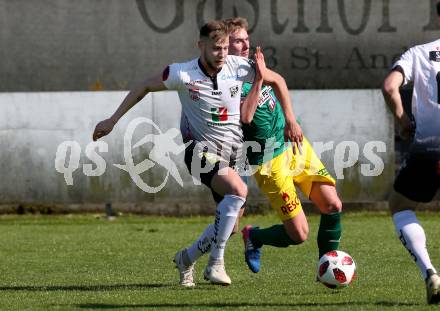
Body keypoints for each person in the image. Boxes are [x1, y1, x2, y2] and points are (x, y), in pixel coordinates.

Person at [92, 20, 300, 287]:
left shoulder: (238, 67)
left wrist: (290, 117)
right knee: (238, 190)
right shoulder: (182, 73)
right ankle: (216, 264)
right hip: (200, 151)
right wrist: (112, 120)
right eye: (215, 48)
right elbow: (144, 85)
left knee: (231, 224)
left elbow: (278, 80)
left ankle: (186, 259)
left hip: (233, 155)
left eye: (225, 47)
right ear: (200, 46)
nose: (222, 53)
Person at [223, 17, 343, 274]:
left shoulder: (252, 64)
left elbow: (278, 81)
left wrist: (290, 119)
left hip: (293, 144)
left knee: (332, 204)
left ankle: (327, 269)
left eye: (246, 39)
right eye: (238, 41)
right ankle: (255, 237)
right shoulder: (224, 79)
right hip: (267, 160)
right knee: (299, 234)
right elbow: (246, 116)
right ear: (225, 45)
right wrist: (257, 79)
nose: (245, 45)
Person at [381, 2, 440, 304]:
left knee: (400, 205)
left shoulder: (420, 53)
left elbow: (390, 86)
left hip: (429, 146)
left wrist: (403, 120)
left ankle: (430, 270)